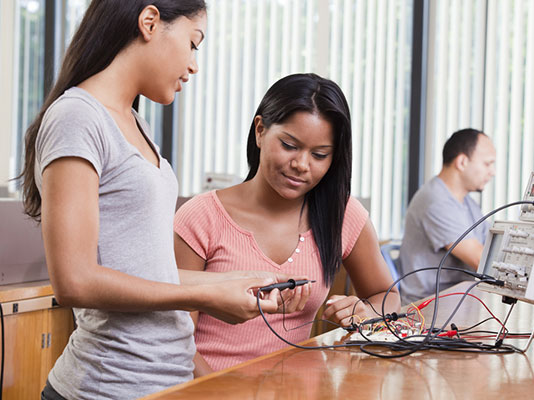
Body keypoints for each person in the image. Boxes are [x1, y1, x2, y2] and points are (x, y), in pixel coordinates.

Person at [19, 2, 299, 399]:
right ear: (150, 22)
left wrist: (237, 282)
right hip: (106, 388)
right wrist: (205, 296)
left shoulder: (137, 124)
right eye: (193, 43)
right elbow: (75, 280)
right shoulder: (77, 118)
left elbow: (144, 269)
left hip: (166, 382)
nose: (193, 65)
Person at [174, 73, 401, 373]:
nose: (302, 165)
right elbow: (177, 340)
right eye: (290, 145)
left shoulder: (341, 214)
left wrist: (365, 310)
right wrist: (220, 392)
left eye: (320, 155)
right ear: (260, 130)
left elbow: (388, 296)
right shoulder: (201, 216)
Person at [398, 129, 496, 304]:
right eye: (487, 164)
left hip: (457, 301)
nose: (492, 172)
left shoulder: (467, 204)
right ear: (462, 162)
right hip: (429, 308)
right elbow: (481, 261)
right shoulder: (435, 200)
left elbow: (492, 248)